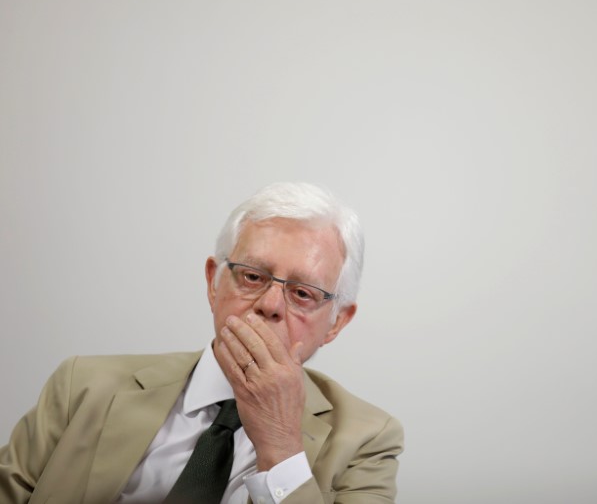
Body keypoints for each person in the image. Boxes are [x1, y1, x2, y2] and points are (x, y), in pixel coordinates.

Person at [0, 182, 403, 504]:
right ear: (214, 282)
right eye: (252, 276)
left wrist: (280, 443)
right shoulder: (81, 386)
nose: (269, 305)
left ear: (336, 322)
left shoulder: (369, 438)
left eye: (302, 293)